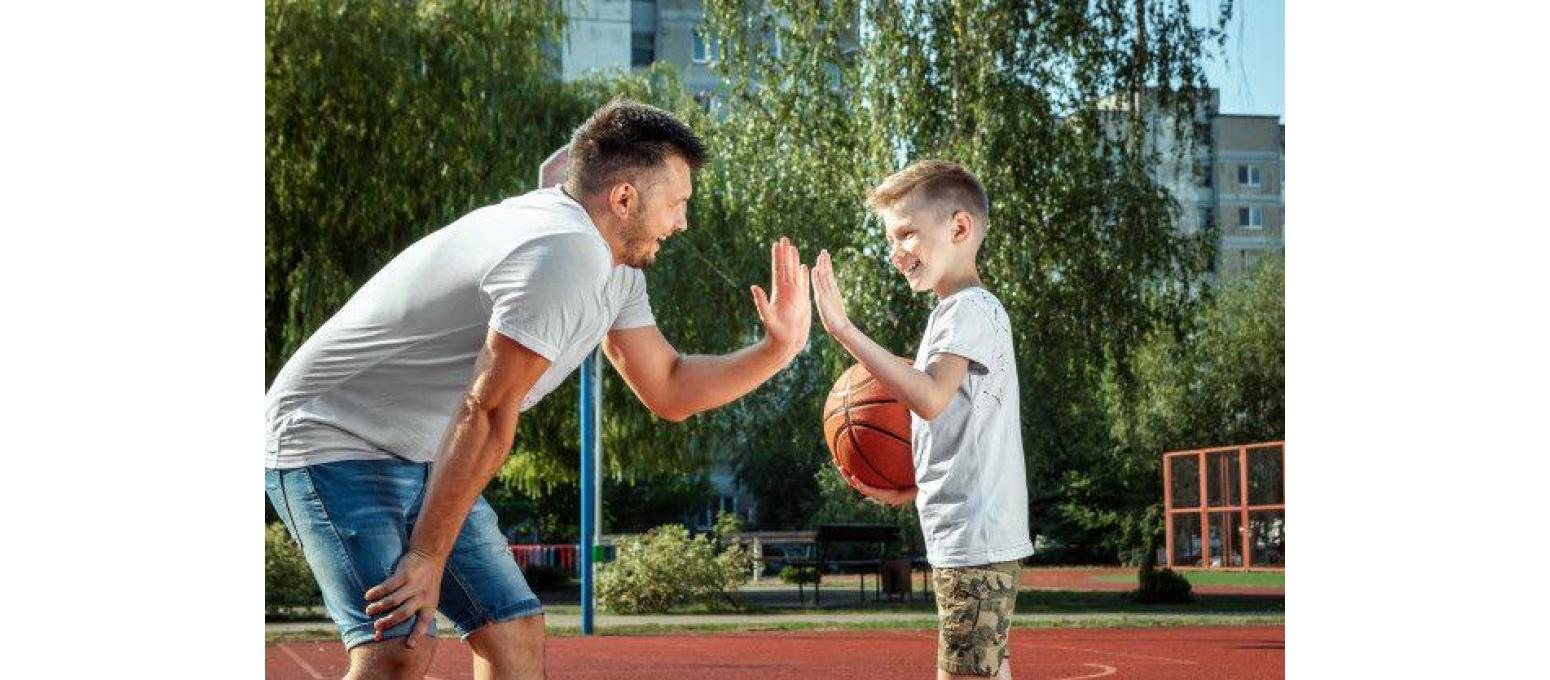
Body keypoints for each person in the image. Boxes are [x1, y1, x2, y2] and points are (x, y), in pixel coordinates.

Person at [264, 98, 811, 680]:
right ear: (624, 198)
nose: (683, 223)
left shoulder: (616, 268)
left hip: (423, 447)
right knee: (397, 649)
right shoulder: (562, 252)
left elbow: (669, 388)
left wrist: (776, 350)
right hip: (330, 436)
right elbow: (488, 409)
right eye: (677, 204)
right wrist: (425, 556)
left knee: (514, 637)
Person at [809, 160, 1032, 679]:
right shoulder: (965, 311)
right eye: (892, 238)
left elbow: (929, 399)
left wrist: (845, 331)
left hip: (974, 542)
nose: (896, 252)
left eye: (907, 233)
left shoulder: (965, 310)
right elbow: (963, 433)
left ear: (959, 228)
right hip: (975, 535)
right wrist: (911, 490)